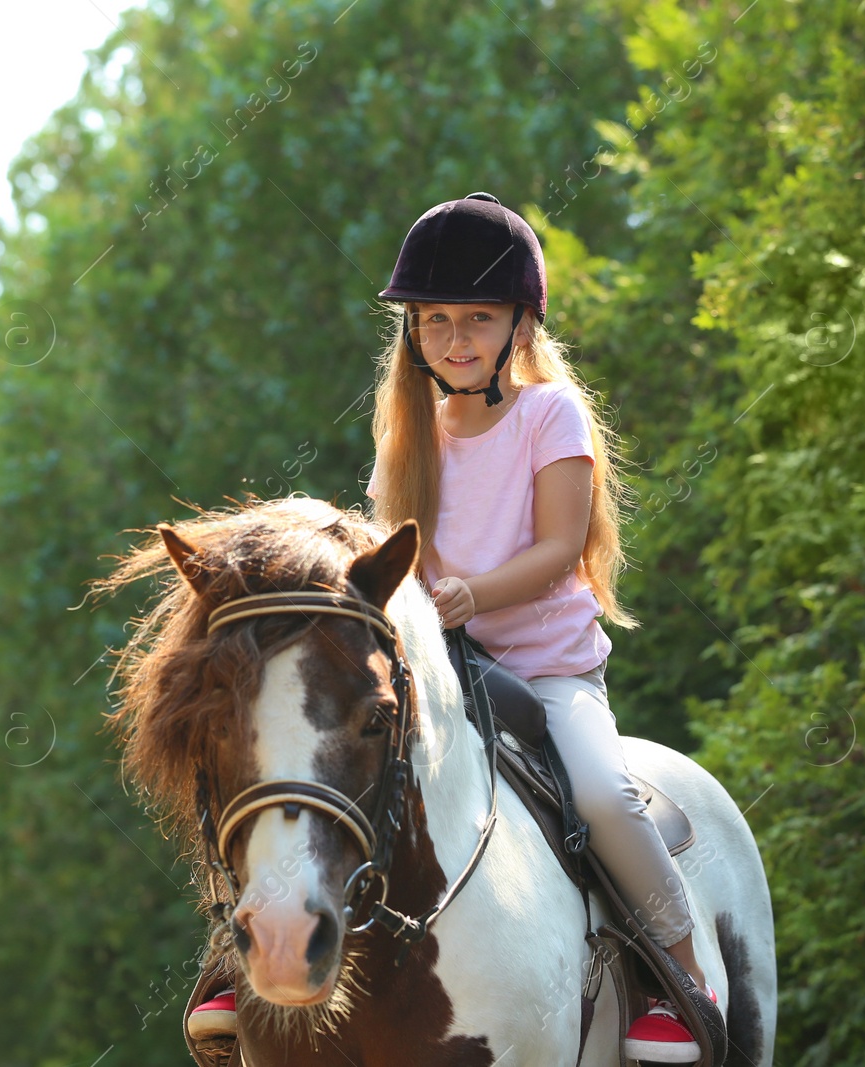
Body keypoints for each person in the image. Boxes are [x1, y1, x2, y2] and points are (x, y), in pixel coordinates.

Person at [361, 191, 725, 1064]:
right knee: (320, 770)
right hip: (443, 672)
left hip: (547, 674)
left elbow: (562, 547)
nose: (455, 339)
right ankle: (244, 967)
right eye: (435, 319)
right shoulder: (407, 432)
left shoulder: (548, 414)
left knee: (602, 795)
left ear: (519, 326)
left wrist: (469, 596)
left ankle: (680, 979)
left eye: (477, 319)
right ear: (413, 331)